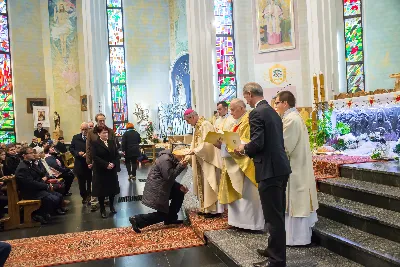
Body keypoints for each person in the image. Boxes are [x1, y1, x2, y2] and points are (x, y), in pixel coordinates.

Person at [235, 82, 291, 267]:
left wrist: (243, 148)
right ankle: (272, 251)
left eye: (246, 97)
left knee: (273, 218)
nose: (246, 101)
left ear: (250, 94)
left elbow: (258, 143)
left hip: (269, 170)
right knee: (276, 215)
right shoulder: (272, 111)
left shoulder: (256, 113)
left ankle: (276, 261)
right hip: (280, 168)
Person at [275, 91, 318, 246]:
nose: (276, 106)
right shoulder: (291, 118)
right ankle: (293, 238)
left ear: (285, 103)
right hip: (296, 165)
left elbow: (285, 147)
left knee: (296, 202)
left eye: (277, 103)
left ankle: (297, 239)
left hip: (295, 167)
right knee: (295, 201)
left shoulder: (291, 120)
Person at [217, 99, 264, 230]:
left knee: (248, 195)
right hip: (235, 162)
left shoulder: (249, 121)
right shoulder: (237, 123)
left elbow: (250, 142)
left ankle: (251, 224)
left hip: (247, 163)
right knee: (239, 193)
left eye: (232, 109)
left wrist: (229, 143)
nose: (230, 112)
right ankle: (238, 222)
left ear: (242, 109)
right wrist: (221, 143)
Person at [129, 148, 189, 233]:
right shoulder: (165, 159)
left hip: (161, 186)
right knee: (163, 215)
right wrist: (181, 166)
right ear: (178, 154)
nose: (184, 158)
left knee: (179, 192)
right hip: (157, 190)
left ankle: (171, 218)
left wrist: (179, 186)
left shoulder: (170, 158)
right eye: (183, 156)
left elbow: (167, 176)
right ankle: (137, 219)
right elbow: (168, 177)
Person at [184, 109, 224, 218]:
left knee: (209, 183)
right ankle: (206, 208)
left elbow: (209, 143)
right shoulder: (197, 126)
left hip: (208, 159)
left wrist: (195, 151)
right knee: (203, 184)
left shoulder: (205, 124)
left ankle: (214, 210)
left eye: (188, 121)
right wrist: (188, 155)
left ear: (192, 117)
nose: (188, 124)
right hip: (201, 159)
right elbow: (194, 144)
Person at [16, 147, 65, 224]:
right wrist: (46, 186)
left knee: (58, 196)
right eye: (31, 153)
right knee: (53, 199)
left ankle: (45, 213)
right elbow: (30, 183)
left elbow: (40, 175)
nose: (33, 154)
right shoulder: (22, 167)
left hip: (37, 188)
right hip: (29, 192)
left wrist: (45, 182)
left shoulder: (31, 163)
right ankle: (37, 215)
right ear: (24, 155)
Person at [86, 114, 118, 211]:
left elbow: (115, 147)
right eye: (100, 121)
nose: (102, 122)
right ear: (97, 121)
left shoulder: (110, 131)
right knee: (98, 186)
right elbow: (88, 148)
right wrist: (89, 161)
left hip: (110, 164)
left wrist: (113, 163)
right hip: (98, 164)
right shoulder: (91, 132)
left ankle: (109, 203)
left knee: (110, 186)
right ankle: (95, 204)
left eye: (103, 120)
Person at [91, 125, 120, 218]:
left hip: (111, 169)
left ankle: (111, 206)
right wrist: (106, 164)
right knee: (101, 191)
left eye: (107, 132)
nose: (106, 134)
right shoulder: (95, 143)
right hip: (101, 170)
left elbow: (116, 155)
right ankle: (102, 209)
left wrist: (113, 164)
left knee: (112, 189)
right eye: (104, 133)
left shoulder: (111, 142)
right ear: (99, 134)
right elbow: (95, 157)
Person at [70, 123, 92, 204]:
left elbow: (94, 147)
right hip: (79, 163)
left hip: (89, 163)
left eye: (86, 129)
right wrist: (77, 153)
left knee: (90, 181)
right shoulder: (76, 137)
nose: (84, 131)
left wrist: (88, 154)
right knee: (81, 182)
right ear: (80, 129)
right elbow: (71, 148)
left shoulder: (91, 137)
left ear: (88, 129)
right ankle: (84, 196)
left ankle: (90, 195)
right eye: (82, 129)